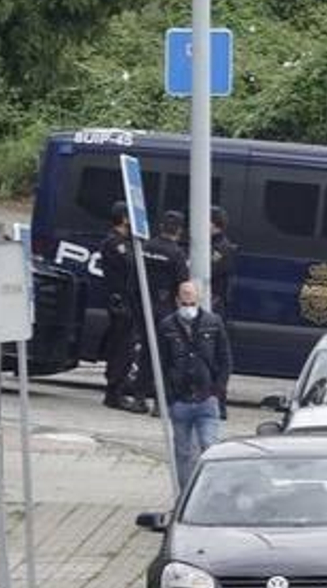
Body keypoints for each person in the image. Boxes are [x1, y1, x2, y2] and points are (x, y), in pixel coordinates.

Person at [158, 281, 230, 488]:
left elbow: (225, 359)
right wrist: (169, 396)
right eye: (184, 302)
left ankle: (207, 491)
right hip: (180, 401)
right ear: (177, 300)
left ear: (198, 300)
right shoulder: (167, 326)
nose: (188, 306)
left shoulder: (213, 323)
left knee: (209, 448)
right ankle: (185, 495)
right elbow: (161, 362)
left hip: (207, 399)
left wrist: (218, 391)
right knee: (183, 453)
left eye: (192, 302)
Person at [134, 211, 191, 413]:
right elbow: (183, 285)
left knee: (145, 354)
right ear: (180, 231)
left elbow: (133, 274)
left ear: (160, 227)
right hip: (165, 309)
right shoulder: (177, 253)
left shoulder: (146, 247)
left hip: (143, 306)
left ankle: (139, 398)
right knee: (166, 357)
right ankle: (160, 404)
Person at [97, 201, 144, 413]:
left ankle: (116, 390)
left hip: (129, 302)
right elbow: (131, 264)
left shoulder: (127, 242)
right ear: (124, 218)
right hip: (121, 303)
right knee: (122, 349)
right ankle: (113, 393)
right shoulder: (114, 243)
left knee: (126, 349)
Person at [208, 206, 238, 320]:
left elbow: (209, 270)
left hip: (214, 299)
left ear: (213, 224)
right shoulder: (213, 243)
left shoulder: (220, 247)